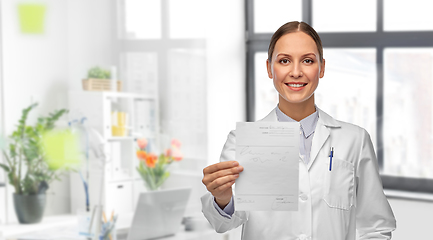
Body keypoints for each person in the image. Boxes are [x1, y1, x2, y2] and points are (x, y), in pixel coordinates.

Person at [201, 21, 396, 240]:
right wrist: (222, 198)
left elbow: (376, 227)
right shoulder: (241, 142)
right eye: (284, 61)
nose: (296, 72)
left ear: (321, 68)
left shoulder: (354, 140)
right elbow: (223, 223)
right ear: (269, 68)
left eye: (307, 61)